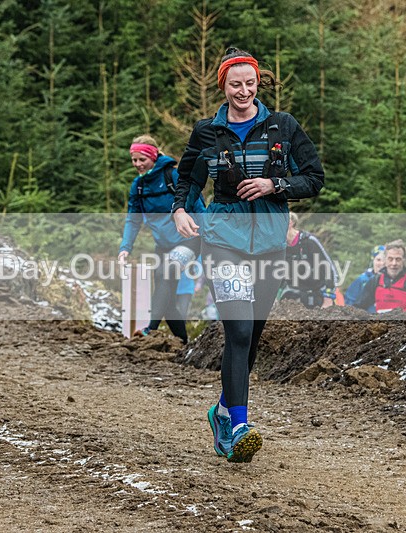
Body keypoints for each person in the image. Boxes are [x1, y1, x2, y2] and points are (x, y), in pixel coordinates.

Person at [172, 47, 324, 462]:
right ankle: (238, 425)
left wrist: (275, 186)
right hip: (224, 241)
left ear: (259, 83)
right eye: (235, 84)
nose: (243, 90)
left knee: (253, 335)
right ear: (222, 85)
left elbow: (314, 177)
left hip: (272, 243)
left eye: (250, 83)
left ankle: (222, 412)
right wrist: (181, 209)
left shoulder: (282, 126)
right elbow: (187, 178)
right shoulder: (207, 132)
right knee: (238, 331)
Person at [118, 135, 205, 343]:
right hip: (164, 246)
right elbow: (133, 220)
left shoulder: (173, 176)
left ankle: (150, 329)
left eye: (142, 160)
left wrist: (209, 236)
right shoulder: (138, 186)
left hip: (189, 240)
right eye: (134, 160)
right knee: (165, 298)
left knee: (166, 271)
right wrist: (125, 248)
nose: (137, 164)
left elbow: (198, 205)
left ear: (153, 157)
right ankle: (184, 343)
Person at [353, 239, 406, 315]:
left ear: (404, 260)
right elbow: (358, 308)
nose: (394, 263)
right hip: (382, 328)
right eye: (390, 259)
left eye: (398, 259)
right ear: (385, 260)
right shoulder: (375, 281)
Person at [278, 212, 338, 308]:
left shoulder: (309, 241)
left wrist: (328, 298)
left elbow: (329, 270)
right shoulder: (279, 247)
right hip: (293, 295)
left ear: (290, 223)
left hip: (317, 294)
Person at [344, 245, 385, 312]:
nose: (382, 263)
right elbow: (349, 302)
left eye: (384, 260)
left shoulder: (392, 282)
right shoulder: (362, 280)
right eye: (378, 260)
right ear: (373, 260)